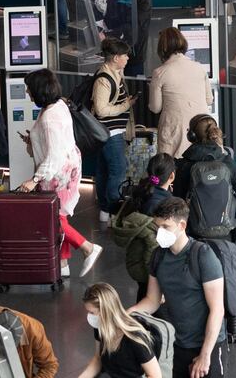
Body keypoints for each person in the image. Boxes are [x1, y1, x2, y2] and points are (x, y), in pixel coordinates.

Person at [129, 197, 228, 378]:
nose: (160, 232)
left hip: (207, 344)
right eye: (157, 226)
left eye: (165, 227)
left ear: (182, 225)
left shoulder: (203, 256)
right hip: (177, 343)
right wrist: (125, 314)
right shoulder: (158, 256)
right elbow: (153, 300)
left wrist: (205, 356)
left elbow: (217, 309)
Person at [19, 69, 102, 278]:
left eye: (29, 87)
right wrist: (34, 140)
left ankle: (88, 247)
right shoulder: (58, 106)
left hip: (59, 173)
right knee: (59, 217)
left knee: (53, 217)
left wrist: (34, 179)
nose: (27, 91)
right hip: (67, 167)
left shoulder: (49, 117)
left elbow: (53, 155)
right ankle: (63, 263)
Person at [114, 153, 177, 301]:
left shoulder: (143, 192)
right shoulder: (165, 205)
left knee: (143, 295)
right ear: (172, 176)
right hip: (149, 264)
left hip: (136, 258)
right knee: (151, 300)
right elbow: (154, 246)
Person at [174, 115, 236, 230]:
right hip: (226, 230)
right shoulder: (227, 162)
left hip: (192, 229)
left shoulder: (184, 164)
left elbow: (178, 199)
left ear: (192, 136)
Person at [92, 38, 138, 222]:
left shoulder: (114, 72)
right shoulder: (104, 79)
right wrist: (126, 105)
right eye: (125, 55)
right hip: (110, 134)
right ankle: (112, 211)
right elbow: (102, 110)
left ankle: (105, 210)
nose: (128, 57)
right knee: (118, 171)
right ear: (116, 57)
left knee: (104, 171)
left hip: (108, 133)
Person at [149, 27, 213, 158]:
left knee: (172, 170)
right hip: (202, 128)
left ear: (162, 49)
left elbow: (155, 108)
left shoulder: (160, 72)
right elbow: (209, 100)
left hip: (175, 130)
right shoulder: (200, 68)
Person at [80, 283, 162, 378]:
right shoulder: (100, 328)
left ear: (106, 311)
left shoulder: (135, 338)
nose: (89, 316)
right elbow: (98, 359)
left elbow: (155, 375)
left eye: (92, 312)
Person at [97, 0, 153, 76]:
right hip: (113, 51)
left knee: (133, 83)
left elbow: (136, 25)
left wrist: (107, 36)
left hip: (133, 50)